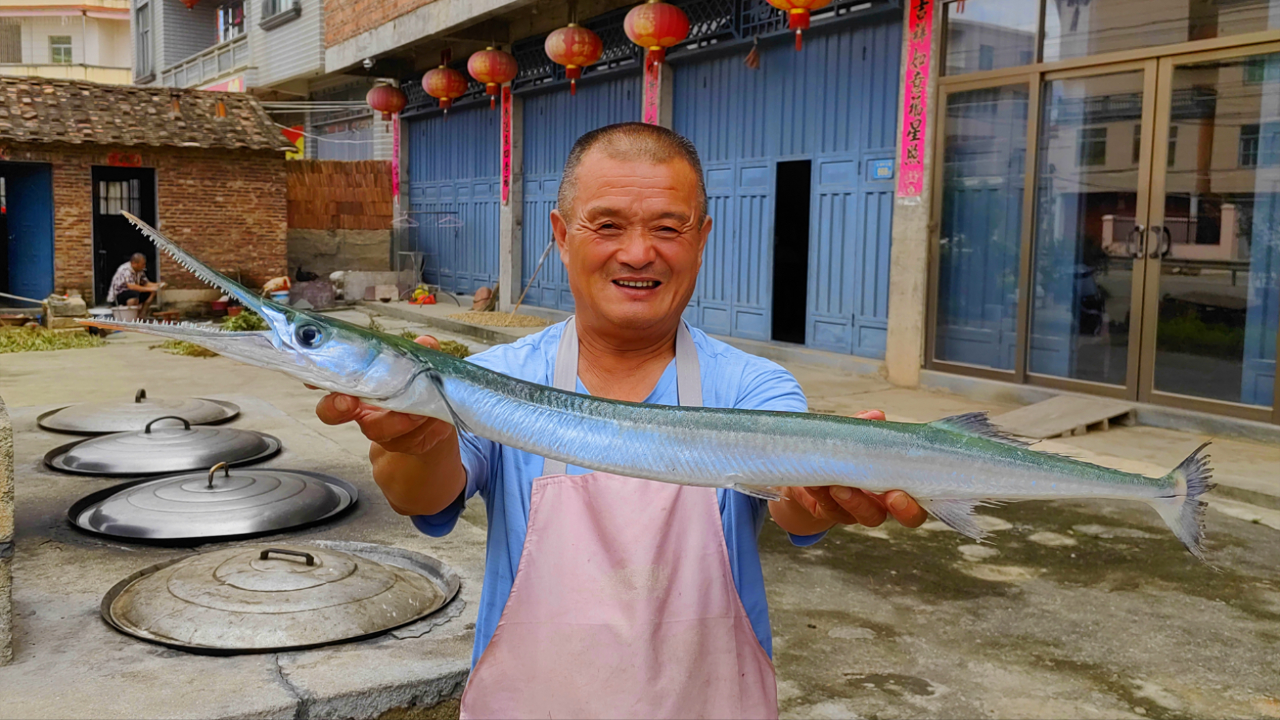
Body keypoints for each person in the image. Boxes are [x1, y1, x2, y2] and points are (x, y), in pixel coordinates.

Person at [315, 123, 927, 719]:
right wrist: (415, 439)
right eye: (607, 225)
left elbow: (793, 502)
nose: (638, 253)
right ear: (561, 235)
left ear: (702, 239)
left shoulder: (752, 385)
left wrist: (825, 494)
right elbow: (422, 496)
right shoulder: (497, 377)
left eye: (668, 227)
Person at [106, 252, 165, 317]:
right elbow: (131, 286)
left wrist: (158, 285)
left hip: (131, 292)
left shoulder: (140, 270)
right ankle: (130, 316)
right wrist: (150, 288)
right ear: (134, 263)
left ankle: (142, 314)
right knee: (134, 295)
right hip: (118, 295)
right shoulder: (125, 270)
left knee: (150, 293)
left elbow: (146, 283)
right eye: (142, 264)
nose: (144, 266)